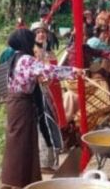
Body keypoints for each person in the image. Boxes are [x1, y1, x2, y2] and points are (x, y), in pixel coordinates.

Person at [0, 29, 81, 189]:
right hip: (22, 105)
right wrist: (73, 71)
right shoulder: (26, 59)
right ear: (26, 42)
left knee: (18, 142)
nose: (34, 43)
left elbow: (32, 75)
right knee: (22, 143)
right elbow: (49, 70)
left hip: (15, 104)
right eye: (32, 40)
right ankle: (19, 181)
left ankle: (15, 180)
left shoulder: (15, 57)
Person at [30, 21, 66, 174]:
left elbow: (55, 70)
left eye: (43, 31)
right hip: (41, 91)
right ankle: (44, 162)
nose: (41, 34)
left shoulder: (49, 51)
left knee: (54, 121)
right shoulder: (32, 52)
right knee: (45, 123)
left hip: (54, 90)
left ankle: (52, 160)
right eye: (37, 32)